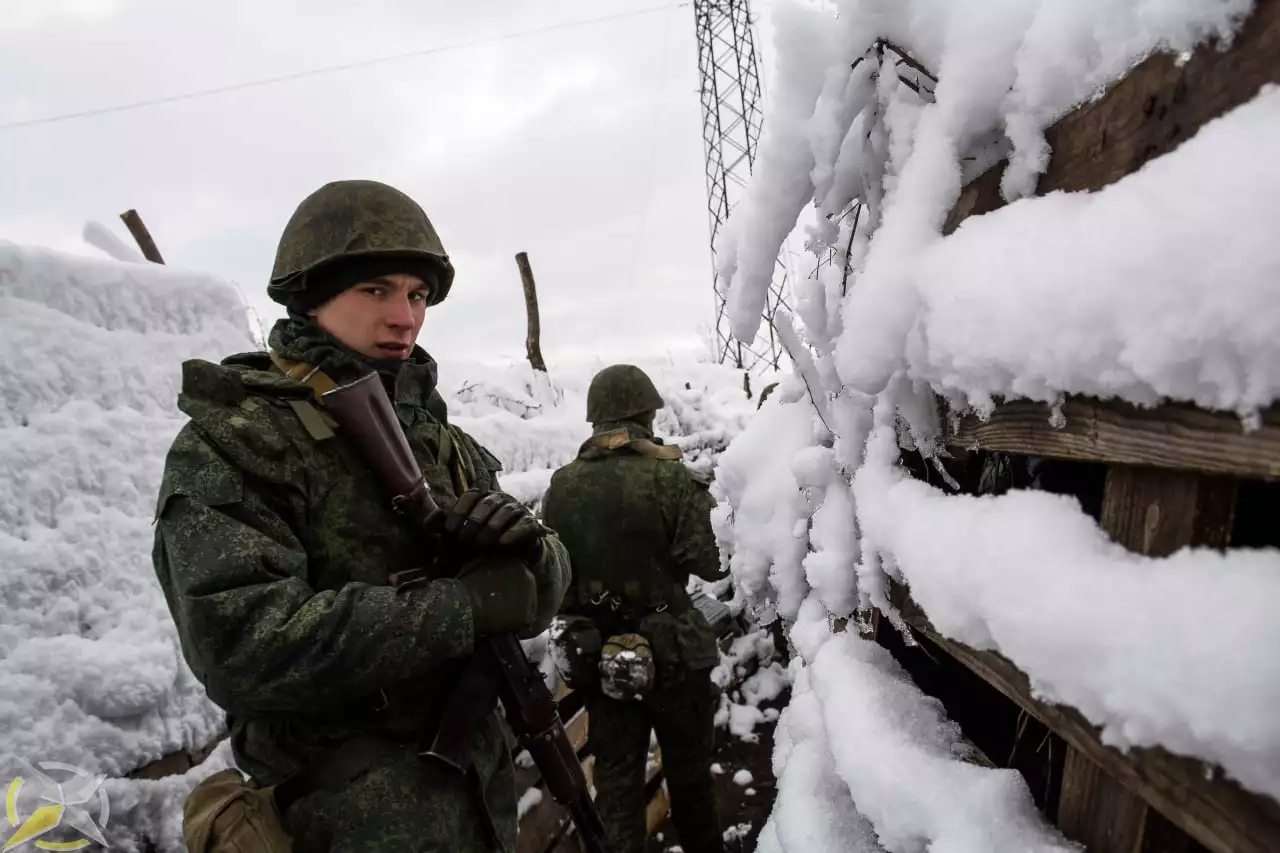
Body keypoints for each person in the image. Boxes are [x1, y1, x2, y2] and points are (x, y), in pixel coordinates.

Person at [152, 179, 571, 853]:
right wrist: (460, 607)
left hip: (478, 812)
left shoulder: (440, 439)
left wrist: (532, 560)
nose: (404, 316)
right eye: (376, 290)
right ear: (312, 297)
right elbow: (239, 644)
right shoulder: (240, 440)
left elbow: (545, 568)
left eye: (418, 294)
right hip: (348, 825)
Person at [541, 364, 727, 853]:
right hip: (675, 659)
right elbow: (710, 563)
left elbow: (556, 580)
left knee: (617, 792)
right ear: (646, 414)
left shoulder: (561, 486)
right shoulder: (671, 477)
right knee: (690, 782)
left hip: (603, 662)